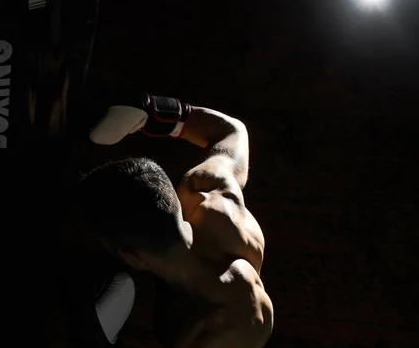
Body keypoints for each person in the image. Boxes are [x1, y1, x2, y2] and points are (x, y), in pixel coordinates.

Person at [79, 89, 274, 347]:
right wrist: (150, 113)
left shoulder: (207, 334)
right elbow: (232, 132)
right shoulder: (210, 197)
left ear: (132, 256)